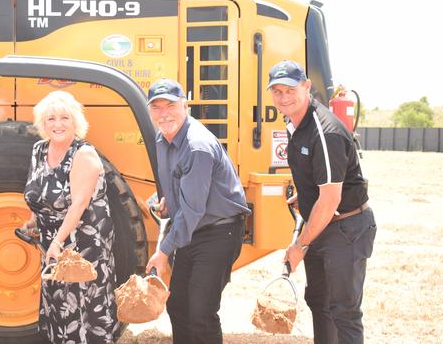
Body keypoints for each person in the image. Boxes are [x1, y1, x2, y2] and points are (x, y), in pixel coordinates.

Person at [268, 60, 377, 344]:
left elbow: (330, 200)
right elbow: (319, 183)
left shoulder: (324, 131)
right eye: (277, 91)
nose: (283, 97)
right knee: (320, 301)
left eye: (290, 89)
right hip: (323, 226)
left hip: (345, 228)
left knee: (344, 311)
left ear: (306, 87)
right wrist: (304, 195)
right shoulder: (294, 123)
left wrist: (300, 245)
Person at [145, 79, 251, 344]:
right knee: (179, 305)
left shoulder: (196, 145)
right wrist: (168, 199)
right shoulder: (163, 138)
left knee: (201, 312)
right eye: (156, 107)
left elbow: (193, 209)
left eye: (170, 105)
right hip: (194, 231)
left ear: (185, 106)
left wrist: (163, 252)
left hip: (219, 232)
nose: (163, 112)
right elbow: (182, 187)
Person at [23, 90, 119, 343]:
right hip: (53, 243)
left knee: (83, 309)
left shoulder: (83, 154)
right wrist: (34, 219)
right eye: (51, 119)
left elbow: (78, 204)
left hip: (84, 245)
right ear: (42, 123)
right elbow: (39, 192)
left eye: (64, 118)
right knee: (59, 306)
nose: (57, 124)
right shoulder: (38, 150)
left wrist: (57, 242)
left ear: (75, 122)